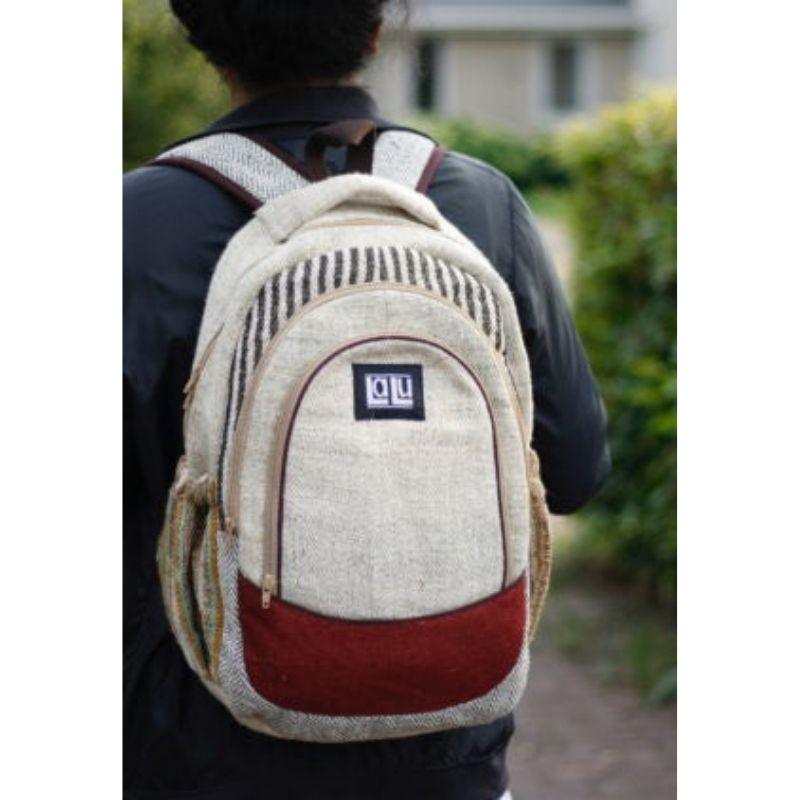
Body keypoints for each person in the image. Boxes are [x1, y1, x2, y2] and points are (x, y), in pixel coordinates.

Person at [123, 2, 610, 798]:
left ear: (197, 34)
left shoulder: (135, 222)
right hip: (448, 748)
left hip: (199, 744)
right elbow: (578, 470)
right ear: (380, 27)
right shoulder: (480, 205)